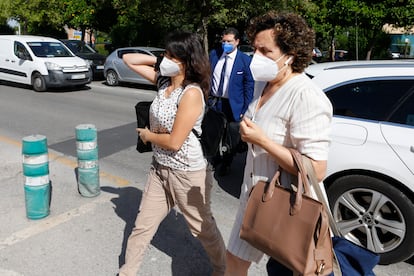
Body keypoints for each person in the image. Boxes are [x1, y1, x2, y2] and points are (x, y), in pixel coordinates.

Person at [224, 11, 333, 276]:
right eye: (255, 49)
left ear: (291, 55)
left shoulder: (306, 96)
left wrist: (262, 140)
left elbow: (316, 170)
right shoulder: (265, 83)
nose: (256, 57)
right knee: (234, 260)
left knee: (293, 267)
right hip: (254, 193)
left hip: (290, 205)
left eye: (266, 51)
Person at [119, 30, 226, 276]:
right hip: (160, 169)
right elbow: (129, 60)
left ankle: (223, 268)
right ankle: (127, 272)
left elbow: (175, 141)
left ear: (186, 61)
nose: (164, 59)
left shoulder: (192, 93)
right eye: (164, 54)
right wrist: (160, 60)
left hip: (187, 174)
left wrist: (148, 136)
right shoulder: (163, 81)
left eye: (170, 55)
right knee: (141, 227)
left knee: (202, 228)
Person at [209, 27, 254, 176]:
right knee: (214, 131)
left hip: (234, 105)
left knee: (231, 136)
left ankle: (227, 162)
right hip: (215, 102)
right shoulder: (215, 55)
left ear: (237, 42)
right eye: (223, 41)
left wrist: (245, 110)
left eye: (229, 41)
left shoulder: (245, 60)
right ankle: (214, 158)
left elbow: (249, 86)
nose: (225, 44)